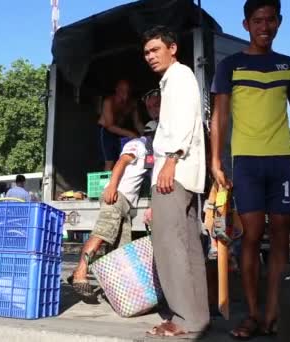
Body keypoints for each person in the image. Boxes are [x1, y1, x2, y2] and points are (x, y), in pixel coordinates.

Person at [210, 0, 290, 338]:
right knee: (250, 238)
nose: (265, 26)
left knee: (279, 240)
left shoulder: (289, 65)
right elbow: (220, 116)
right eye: (257, 20)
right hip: (246, 164)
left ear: (279, 22)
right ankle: (253, 315)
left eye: (270, 20)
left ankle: (273, 313)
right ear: (246, 25)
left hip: (283, 163)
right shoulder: (230, 65)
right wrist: (216, 162)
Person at [142, 26, 209, 339]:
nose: (151, 56)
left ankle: (182, 318)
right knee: (189, 248)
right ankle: (197, 318)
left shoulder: (178, 77)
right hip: (186, 174)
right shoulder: (176, 78)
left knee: (170, 247)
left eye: (156, 49)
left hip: (174, 170)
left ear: (173, 48)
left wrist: (170, 160)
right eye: (147, 52)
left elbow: (182, 123)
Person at [68, 120, 158, 298]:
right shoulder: (138, 145)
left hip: (125, 203)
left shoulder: (149, 152)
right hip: (117, 197)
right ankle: (80, 273)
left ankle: (113, 289)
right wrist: (111, 188)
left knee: (120, 249)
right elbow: (121, 162)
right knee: (102, 234)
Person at [98, 79, 144, 170]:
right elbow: (109, 126)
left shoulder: (132, 103)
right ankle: (106, 184)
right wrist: (131, 134)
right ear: (117, 90)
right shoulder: (109, 102)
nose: (125, 94)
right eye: (122, 90)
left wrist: (145, 136)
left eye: (128, 91)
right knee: (109, 161)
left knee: (122, 158)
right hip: (105, 131)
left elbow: (137, 122)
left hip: (119, 132)